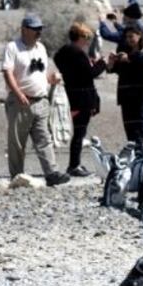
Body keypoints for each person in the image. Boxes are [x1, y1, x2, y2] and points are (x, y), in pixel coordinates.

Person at [1, 14, 69, 185]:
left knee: (44, 138)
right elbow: (7, 72)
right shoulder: (13, 48)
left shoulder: (41, 48)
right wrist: (18, 94)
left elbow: (39, 73)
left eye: (40, 29)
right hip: (20, 102)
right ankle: (17, 175)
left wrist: (50, 79)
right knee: (17, 141)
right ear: (24, 29)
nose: (39, 32)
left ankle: (52, 173)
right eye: (35, 29)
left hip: (41, 100)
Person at [53, 22, 106, 177]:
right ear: (80, 37)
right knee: (79, 133)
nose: (88, 41)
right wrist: (103, 63)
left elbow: (77, 71)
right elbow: (90, 74)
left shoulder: (63, 52)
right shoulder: (77, 52)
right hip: (82, 98)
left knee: (77, 132)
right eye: (86, 37)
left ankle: (74, 164)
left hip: (71, 94)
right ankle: (74, 165)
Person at [108, 23, 143, 146]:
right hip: (127, 94)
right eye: (127, 37)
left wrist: (129, 58)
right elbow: (114, 70)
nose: (129, 40)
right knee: (130, 127)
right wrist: (111, 62)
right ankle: (138, 155)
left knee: (142, 124)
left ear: (139, 35)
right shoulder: (123, 50)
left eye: (131, 36)